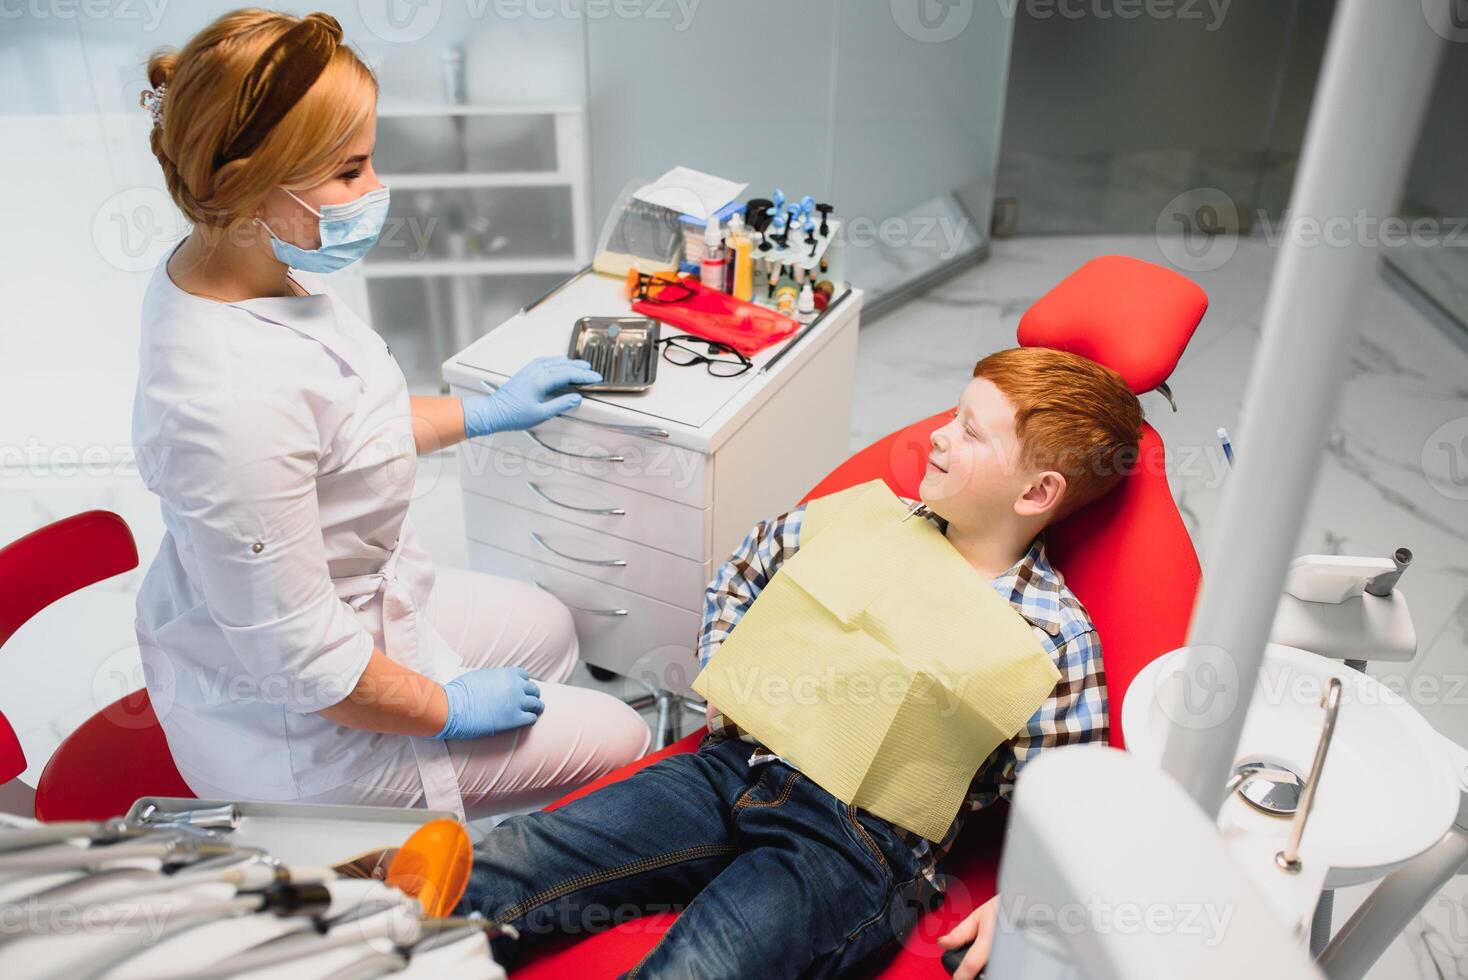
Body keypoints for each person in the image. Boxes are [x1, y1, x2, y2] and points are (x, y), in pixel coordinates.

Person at [456, 346, 1141, 977]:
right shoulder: (865, 519)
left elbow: (1067, 803)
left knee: (695, 970)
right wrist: (725, 665)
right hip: (734, 767)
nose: (938, 434)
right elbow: (744, 569)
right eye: (953, 415)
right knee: (521, 855)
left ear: (1035, 493)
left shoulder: (1050, 638)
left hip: (855, 846)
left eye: (969, 431)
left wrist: (1029, 898)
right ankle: (361, 944)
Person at [131, 9, 650, 823]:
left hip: (347, 600)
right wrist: (447, 710)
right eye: (350, 171)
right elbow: (307, 666)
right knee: (624, 740)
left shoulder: (238, 260)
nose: (375, 193)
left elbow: (339, 423)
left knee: (552, 630)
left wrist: (487, 412)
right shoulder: (224, 411)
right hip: (301, 733)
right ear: (253, 185)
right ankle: (426, 855)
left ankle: (488, 775)